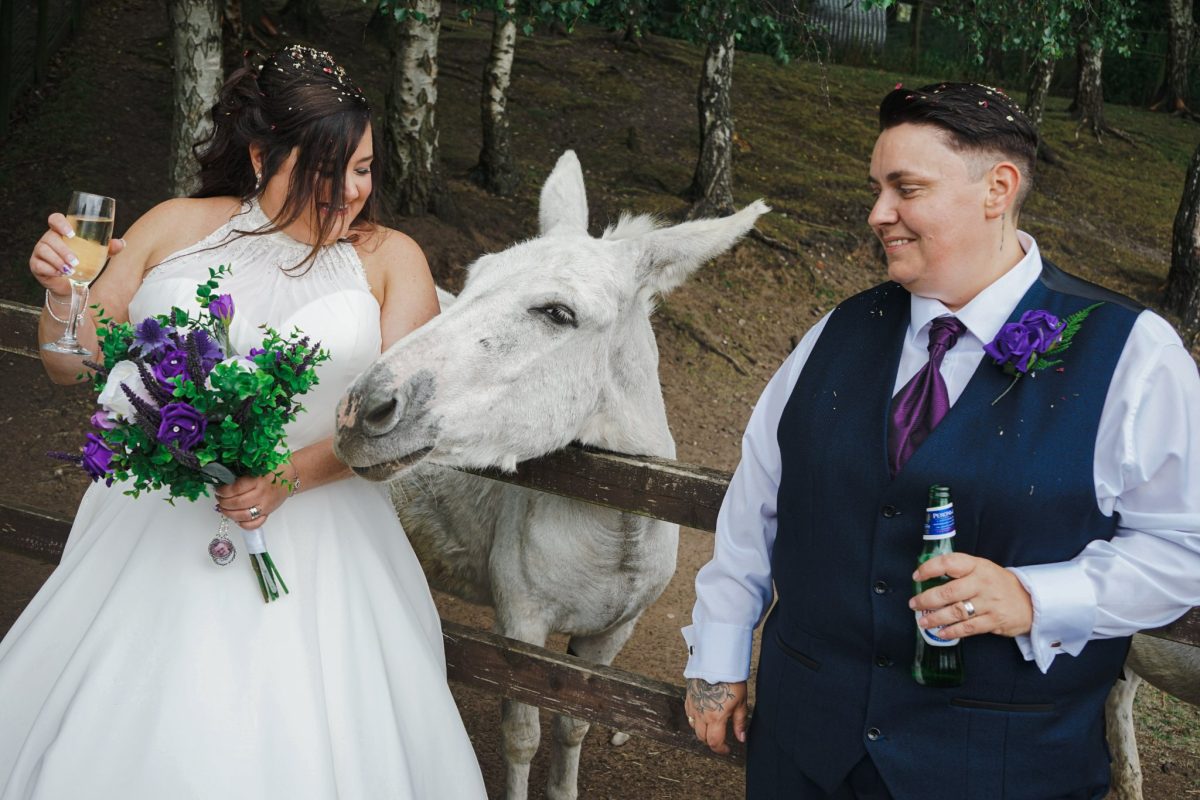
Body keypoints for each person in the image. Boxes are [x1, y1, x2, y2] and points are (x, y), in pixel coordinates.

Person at [682, 82, 1200, 799]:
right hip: (803, 753)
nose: (878, 213)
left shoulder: (1134, 355)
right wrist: (717, 657)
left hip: (1001, 767)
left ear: (997, 189)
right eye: (877, 188)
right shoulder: (838, 331)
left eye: (906, 189)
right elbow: (757, 505)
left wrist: (1036, 596)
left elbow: (1183, 548)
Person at [1, 45, 487, 798]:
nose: (350, 192)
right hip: (155, 532)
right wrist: (64, 296)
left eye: (363, 169)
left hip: (323, 544)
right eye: (327, 170)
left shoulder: (393, 260)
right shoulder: (174, 227)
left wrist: (288, 477)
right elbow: (72, 365)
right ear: (262, 156)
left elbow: (406, 426)